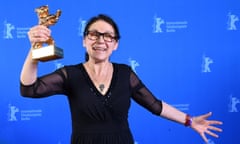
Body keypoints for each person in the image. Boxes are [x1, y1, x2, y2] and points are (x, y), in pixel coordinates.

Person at [20, 14, 222, 144]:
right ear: (84, 41)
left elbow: (155, 105)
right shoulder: (70, 74)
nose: (101, 40)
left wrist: (190, 121)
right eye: (94, 34)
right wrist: (35, 49)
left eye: (108, 36)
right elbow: (29, 89)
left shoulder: (126, 74)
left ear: (116, 44)